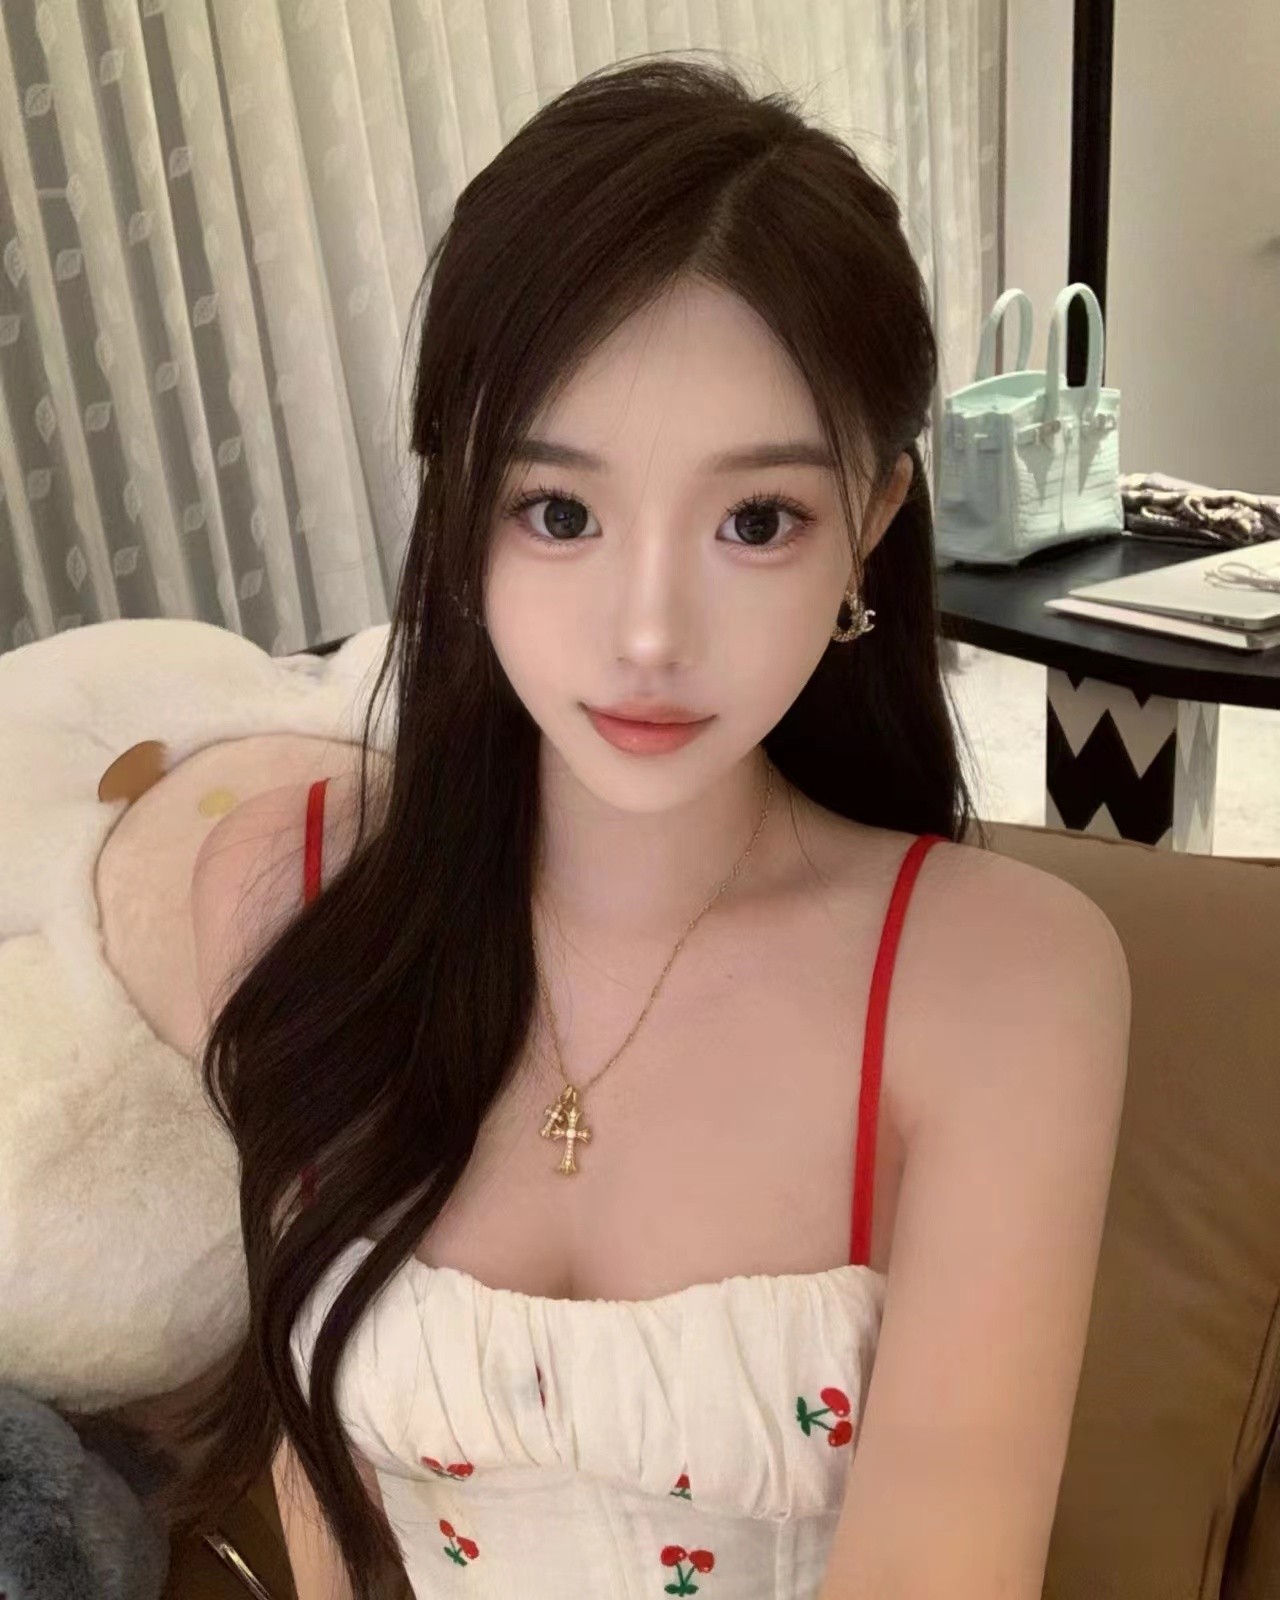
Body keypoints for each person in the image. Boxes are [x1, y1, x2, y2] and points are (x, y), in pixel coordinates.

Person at [166, 53, 1131, 1600]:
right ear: (458, 505)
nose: (648, 634)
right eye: (560, 510)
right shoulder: (286, 892)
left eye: (757, 520)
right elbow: (314, 1505)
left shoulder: (1004, 981)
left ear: (872, 525)